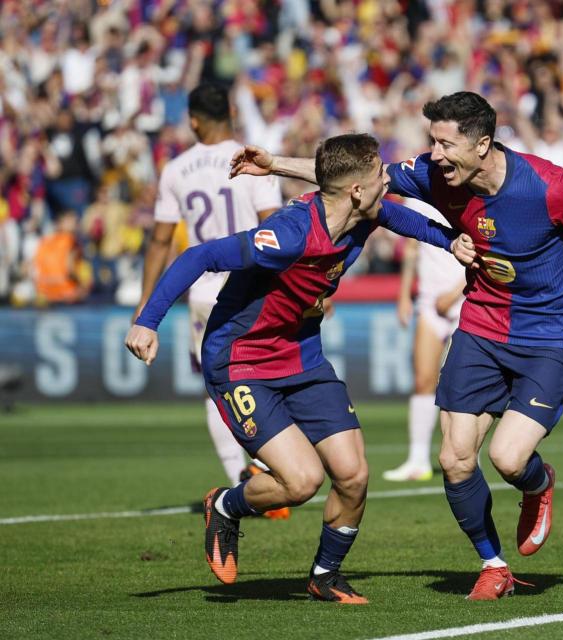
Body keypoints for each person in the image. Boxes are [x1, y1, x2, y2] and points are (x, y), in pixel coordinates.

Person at [229, 91, 563, 601]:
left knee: (509, 459)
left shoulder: (551, 187)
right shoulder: (436, 174)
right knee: (454, 458)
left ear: (483, 145)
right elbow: (354, 180)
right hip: (481, 325)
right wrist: (274, 163)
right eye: (432, 141)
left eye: (446, 143)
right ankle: (492, 564)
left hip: (550, 335)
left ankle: (538, 485)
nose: (434, 154)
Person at [126, 133, 476, 604]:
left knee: (353, 475)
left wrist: (452, 241)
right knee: (302, 482)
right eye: (378, 174)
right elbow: (200, 255)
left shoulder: (365, 213)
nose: (386, 180)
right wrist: (147, 322)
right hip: (242, 360)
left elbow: (406, 219)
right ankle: (227, 505)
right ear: (356, 189)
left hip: (302, 356)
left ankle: (324, 576)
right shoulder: (289, 234)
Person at [132, 83, 287, 513]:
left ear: (194, 120)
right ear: (232, 109)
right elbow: (273, 228)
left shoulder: (177, 169)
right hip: (249, 285)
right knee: (263, 376)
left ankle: (240, 473)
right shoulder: (253, 159)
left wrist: (147, 304)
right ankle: (265, 470)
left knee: (213, 389)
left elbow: (161, 241)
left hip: (202, 291)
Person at [384, 199, 466, 482]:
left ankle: (468, 455)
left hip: (465, 300)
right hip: (430, 301)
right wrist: (405, 293)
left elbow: (483, 251)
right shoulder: (415, 196)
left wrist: (455, 294)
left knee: (462, 385)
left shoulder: (467, 192)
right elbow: (411, 247)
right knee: (423, 381)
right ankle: (418, 460)